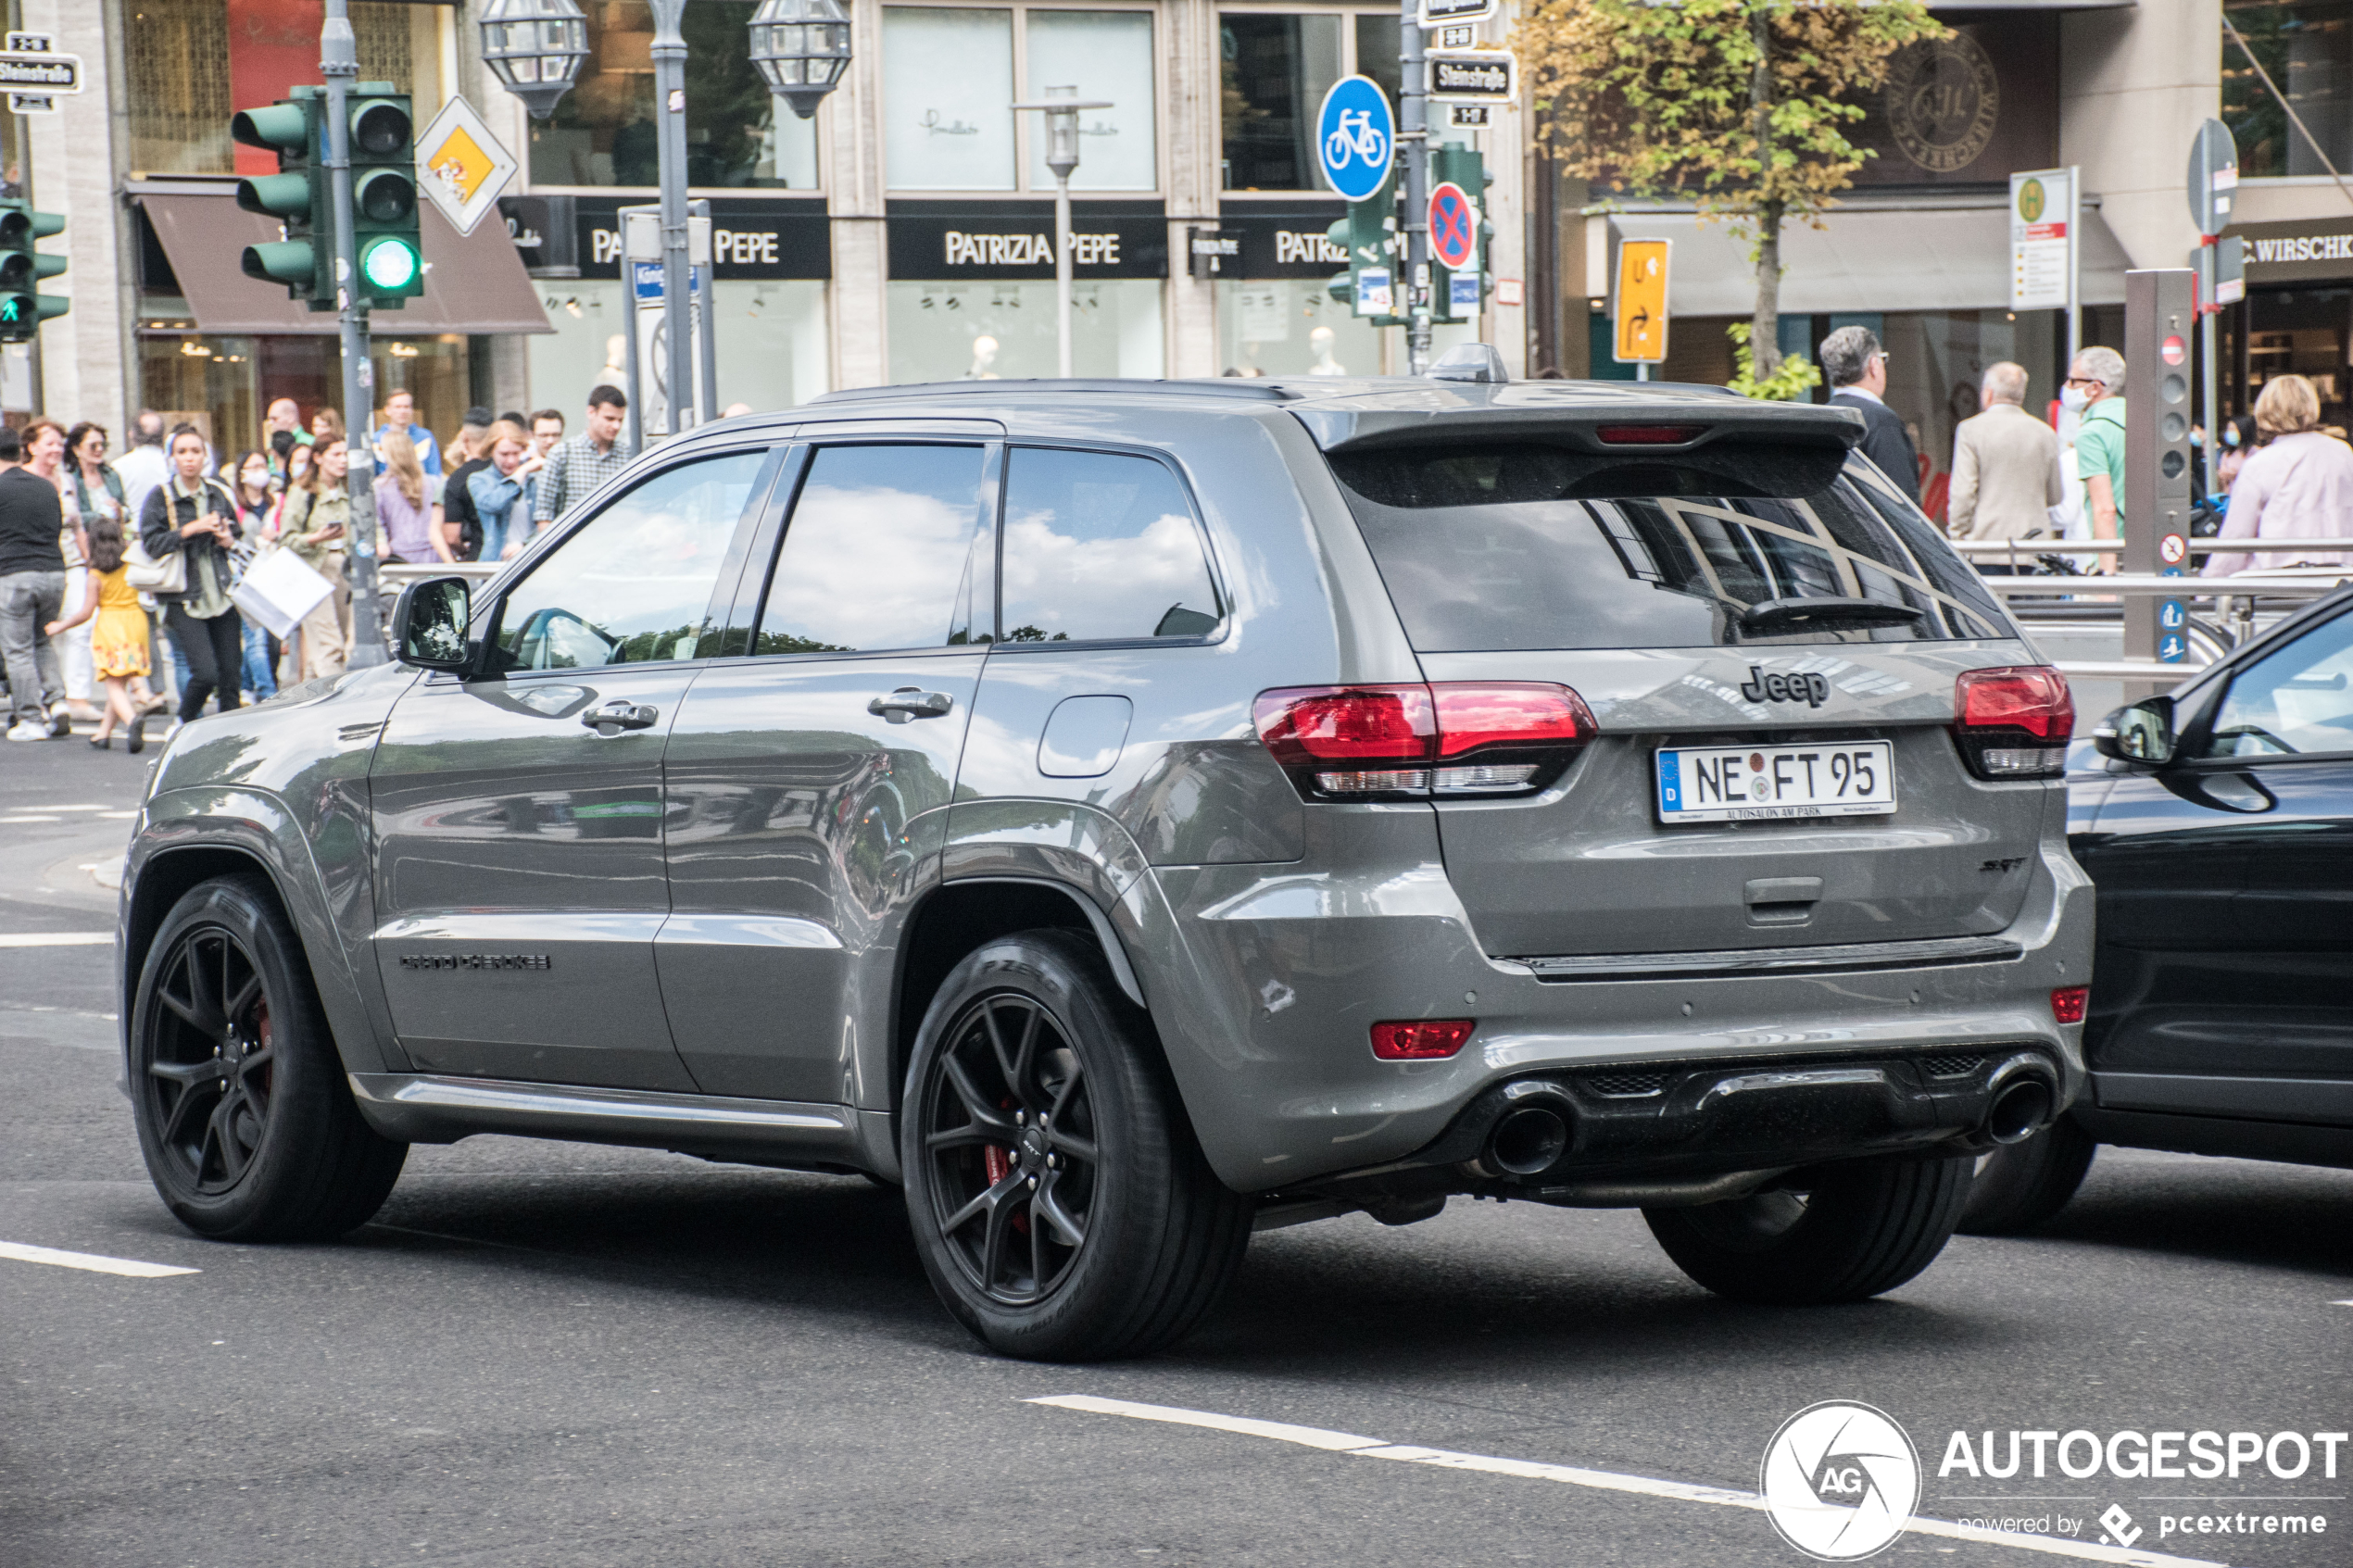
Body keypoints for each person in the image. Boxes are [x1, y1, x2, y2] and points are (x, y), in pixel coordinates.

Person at [139, 424, 246, 729]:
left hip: (221, 593)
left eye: (196, 451)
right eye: (182, 452)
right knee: (206, 673)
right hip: (183, 595)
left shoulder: (216, 492)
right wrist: (191, 529)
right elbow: (152, 544)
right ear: (172, 458)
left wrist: (227, 537)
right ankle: (183, 722)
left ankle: (229, 735)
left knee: (231, 674)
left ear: (205, 456)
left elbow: (234, 534)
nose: (190, 459)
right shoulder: (162, 496)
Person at [2203, 373, 2353, 576]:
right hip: (2339, 585)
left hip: (2279, 584)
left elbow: (2236, 538)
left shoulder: (2259, 465)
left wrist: (2207, 588)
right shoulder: (2343, 453)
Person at [44, 513, 157, 752]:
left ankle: (131, 720)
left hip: (111, 626)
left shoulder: (95, 575)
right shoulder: (130, 564)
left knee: (112, 682)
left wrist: (60, 626)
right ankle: (103, 734)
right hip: (136, 622)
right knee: (120, 681)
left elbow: (85, 613)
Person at [1946, 361, 2065, 558]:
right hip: (2035, 548)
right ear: (2021, 394)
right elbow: (2056, 496)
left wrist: (1957, 536)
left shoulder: (1971, 430)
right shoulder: (2045, 433)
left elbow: (1963, 494)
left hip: (1987, 546)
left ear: (1989, 393)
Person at [0, 423, 70, 739]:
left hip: (15, 575)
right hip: (55, 573)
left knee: (17, 650)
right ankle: (57, 702)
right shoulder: (45, 486)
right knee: (42, 640)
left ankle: (30, 718)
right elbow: (58, 527)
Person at [278, 435, 351, 679]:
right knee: (330, 645)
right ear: (318, 458)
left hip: (345, 570)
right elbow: (286, 539)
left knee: (333, 642)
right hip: (311, 571)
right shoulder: (302, 491)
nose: (343, 461)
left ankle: (309, 700)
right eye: (336, 454)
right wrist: (316, 538)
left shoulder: (350, 489)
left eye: (345, 454)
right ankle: (337, 704)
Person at [1820, 326, 1919, 503]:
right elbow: (1901, 501)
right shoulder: (1881, 420)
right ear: (1874, 365)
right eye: (1883, 359)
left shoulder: (1821, 418)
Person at [532, 385, 633, 533]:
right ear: (591, 412)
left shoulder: (627, 455)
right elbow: (544, 514)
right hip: (574, 545)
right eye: (609, 418)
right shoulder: (563, 453)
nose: (616, 426)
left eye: (620, 420)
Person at [2067, 345, 2128, 572]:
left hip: (2117, 556)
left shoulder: (2092, 433)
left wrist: (2106, 578)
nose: (2067, 387)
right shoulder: (2142, 420)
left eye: (2073, 381)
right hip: (2153, 549)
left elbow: (2104, 509)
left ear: (2094, 387)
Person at [226, 450, 281, 698]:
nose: (260, 471)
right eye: (254, 466)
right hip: (245, 577)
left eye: (263, 465)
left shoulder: (276, 502)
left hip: (273, 576)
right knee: (256, 638)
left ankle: (245, 686)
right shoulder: (234, 506)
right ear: (242, 474)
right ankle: (267, 691)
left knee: (270, 642)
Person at [467, 420, 547, 563]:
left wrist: (525, 545)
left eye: (516, 453)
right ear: (491, 451)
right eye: (504, 454)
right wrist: (520, 473)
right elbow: (494, 504)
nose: (510, 460)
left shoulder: (533, 478)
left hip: (532, 558)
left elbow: (548, 521)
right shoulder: (479, 479)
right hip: (497, 561)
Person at [373, 428, 444, 564]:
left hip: (400, 558)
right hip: (434, 555)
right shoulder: (434, 483)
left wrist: (381, 543)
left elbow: (377, 523)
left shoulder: (380, 486)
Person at [438, 416, 493, 560]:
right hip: (515, 559)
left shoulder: (457, 479)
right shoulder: (503, 470)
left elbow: (451, 536)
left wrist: (462, 551)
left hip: (478, 557)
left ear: (464, 437)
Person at [112, 410, 170, 521]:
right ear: (164, 437)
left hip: (133, 531)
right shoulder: (172, 464)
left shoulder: (118, 466)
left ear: (131, 434)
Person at [372, 388, 441, 477]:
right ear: (387, 410)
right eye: (398, 407)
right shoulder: (376, 439)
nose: (402, 411)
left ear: (411, 410)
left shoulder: (425, 437)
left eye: (406, 407)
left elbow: (435, 474)